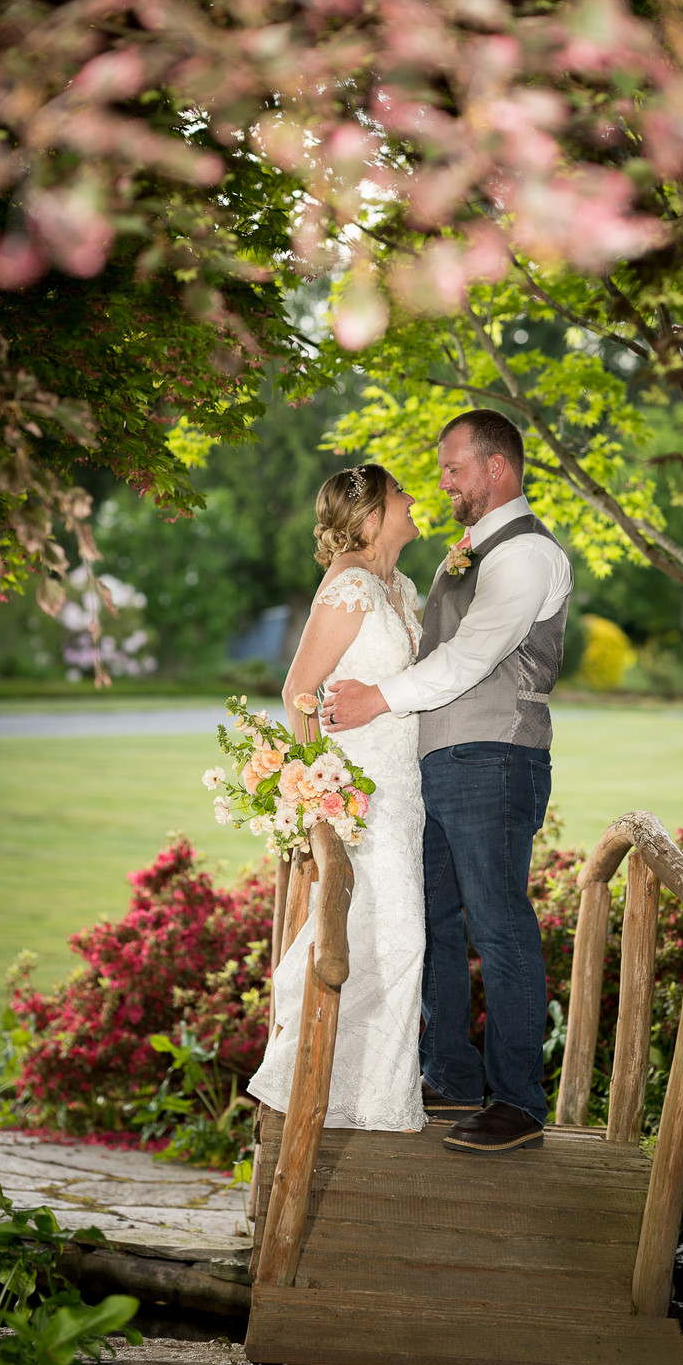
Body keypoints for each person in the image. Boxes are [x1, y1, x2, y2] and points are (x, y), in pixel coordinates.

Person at [322, 409, 573, 1154]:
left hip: (497, 758)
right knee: (437, 923)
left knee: (499, 925)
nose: (444, 482)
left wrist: (376, 699)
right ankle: (453, 1075)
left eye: (454, 468)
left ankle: (519, 1103)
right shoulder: (469, 551)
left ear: (498, 467)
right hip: (444, 765)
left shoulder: (526, 555)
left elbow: (471, 656)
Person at [247, 463, 427, 1132]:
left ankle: (367, 1103)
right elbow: (300, 690)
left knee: (393, 939)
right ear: (373, 513)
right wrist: (317, 786)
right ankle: (318, 1089)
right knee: (386, 936)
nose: (414, 499)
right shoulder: (350, 585)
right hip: (361, 794)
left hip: (405, 790)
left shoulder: (401, 586)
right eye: (401, 493)